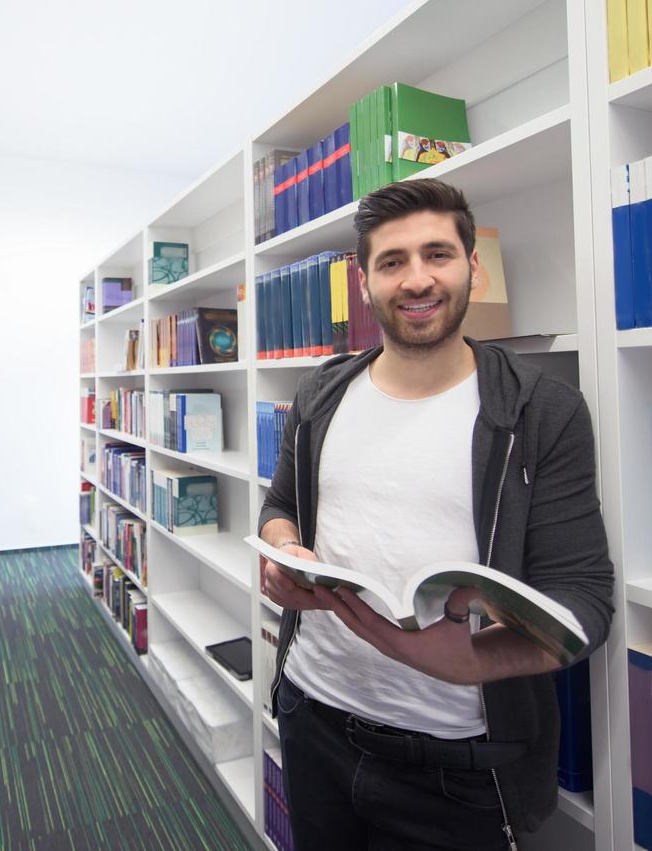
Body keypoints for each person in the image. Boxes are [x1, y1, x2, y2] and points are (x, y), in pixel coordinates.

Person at [259, 178, 613, 850]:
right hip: (311, 719)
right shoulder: (322, 391)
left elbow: (586, 602)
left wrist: (477, 663)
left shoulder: (541, 410)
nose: (415, 279)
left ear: (471, 268)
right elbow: (281, 505)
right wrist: (281, 551)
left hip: (456, 762)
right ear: (364, 283)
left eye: (437, 255)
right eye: (391, 262)